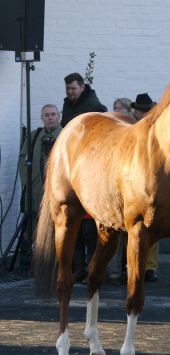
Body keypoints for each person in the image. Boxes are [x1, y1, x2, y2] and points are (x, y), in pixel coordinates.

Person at [61, 72, 107, 282]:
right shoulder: (68, 105)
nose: (70, 93)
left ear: (82, 87)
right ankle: (78, 269)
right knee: (75, 228)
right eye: (68, 89)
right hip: (73, 162)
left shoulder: (94, 106)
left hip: (88, 162)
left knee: (90, 230)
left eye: (73, 89)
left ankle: (93, 268)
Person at [19, 104, 62, 266]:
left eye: (53, 114)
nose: (50, 117)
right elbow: (22, 157)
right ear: (42, 118)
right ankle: (33, 260)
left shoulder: (66, 135)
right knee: (33, 224)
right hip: (35, 188)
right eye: (46, 115)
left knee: (55, 225)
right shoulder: (34, 136)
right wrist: (26, 180)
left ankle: (56, 262)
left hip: (57, 191)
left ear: (58, 116)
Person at [131, 93, 159, 282]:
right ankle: (133, 265)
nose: (142, 114)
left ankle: (149, 267)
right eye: (140, 111)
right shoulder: (129, 126)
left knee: (152, 226)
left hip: (149, 178)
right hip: (133, 177)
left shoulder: (156, 127)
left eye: (145, 111)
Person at [107, 98, 134, 285]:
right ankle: (114, 272)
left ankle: (131, 271)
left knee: (131, 237)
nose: (117, 111)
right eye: (115, 108)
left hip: (131, 189)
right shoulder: (111, 129)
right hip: (115, 188)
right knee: (113, 233)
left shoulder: (135, 128)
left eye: (121, 108)